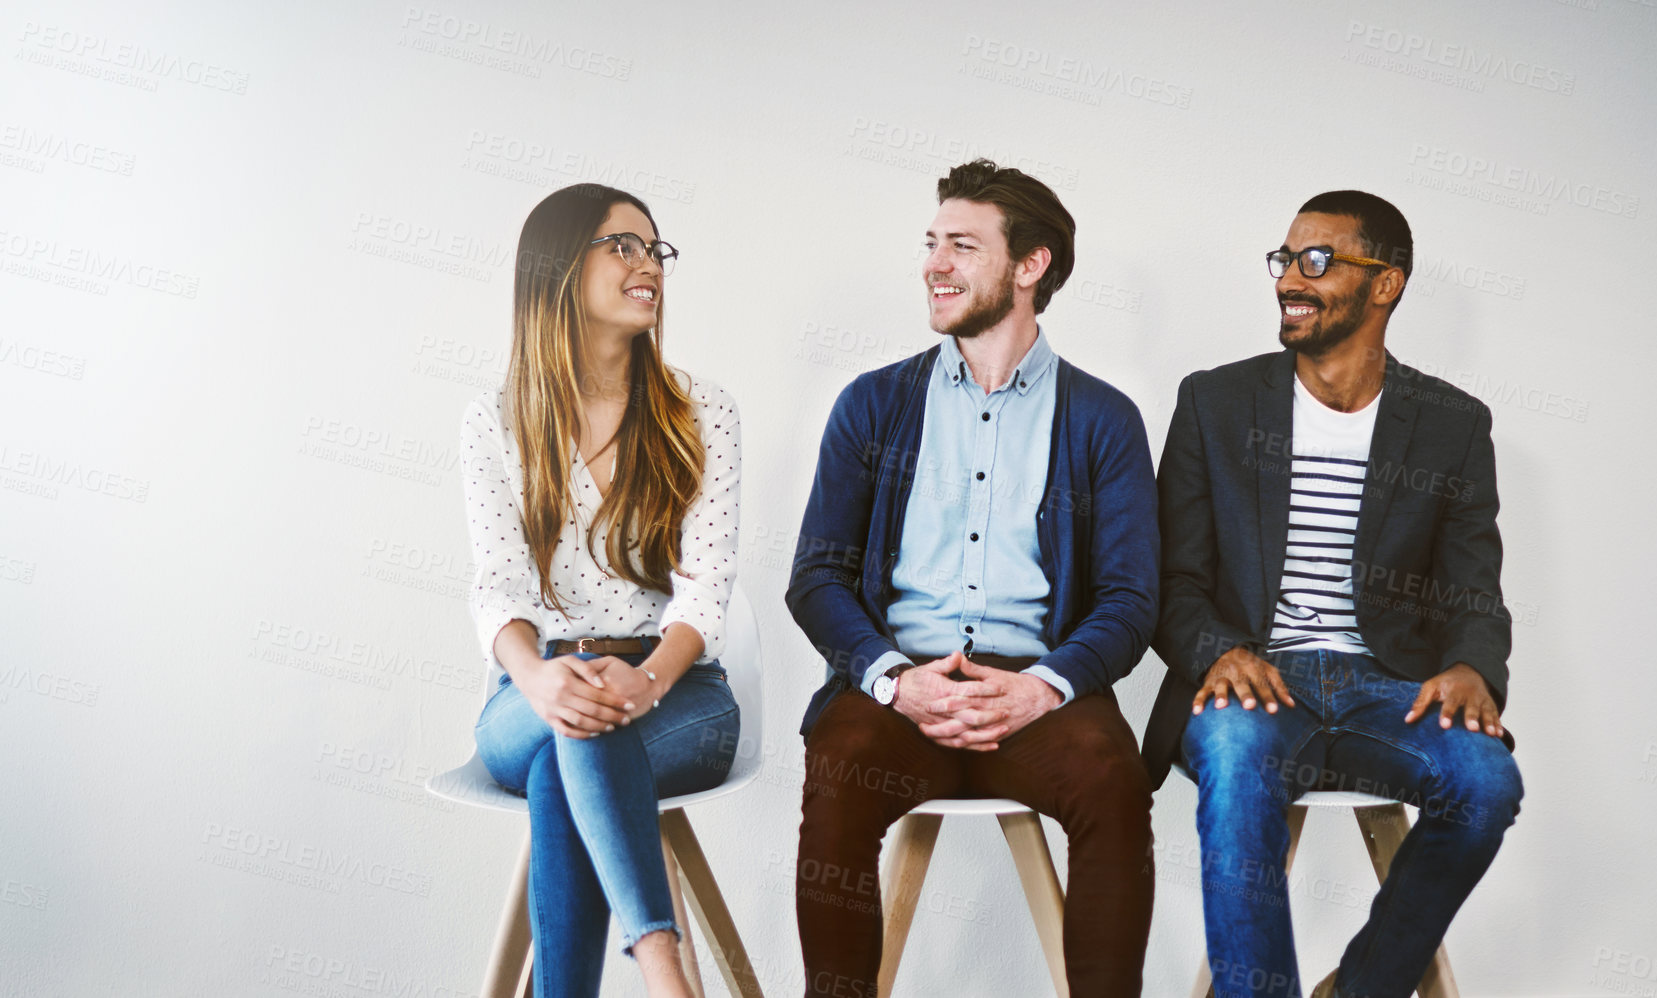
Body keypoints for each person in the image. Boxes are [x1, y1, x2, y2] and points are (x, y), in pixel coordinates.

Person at [786, 159, 1159, 997]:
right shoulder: (873, 404)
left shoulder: (1104, 419)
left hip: (1039, 696)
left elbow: (1133, 601)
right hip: (899, 688)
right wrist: (893, 681)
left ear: (1031, 267)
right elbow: (816, 579)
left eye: (962, 245)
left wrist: (1046, 688)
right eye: (931, 244)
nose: (934, 264)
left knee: (1113, 779)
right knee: (839, 763)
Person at [1143, 191, 1524, 998]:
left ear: (1384, 284)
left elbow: (1474, 590)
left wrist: (1471, 669)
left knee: (1488, 784)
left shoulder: (1452, 424)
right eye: (1285, 260)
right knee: (1236, 756)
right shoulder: (1214, 403)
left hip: (1389, 691)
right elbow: (1172, 581)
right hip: (1259, 680)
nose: (1291, 279)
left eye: (1317, 261)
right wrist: (1221, 653)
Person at [461, 182, 742, 998]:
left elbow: (705, 592)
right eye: (623, 246)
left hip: (682, 693)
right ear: (558, 269)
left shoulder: (703, 412)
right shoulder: (498, 419)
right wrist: (540, 679)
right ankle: (667, 975)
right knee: (571, 722)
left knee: (572, 750)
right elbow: (498, 591)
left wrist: (648, 679)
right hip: (529, 687)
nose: (648, 265)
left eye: (656, 249)